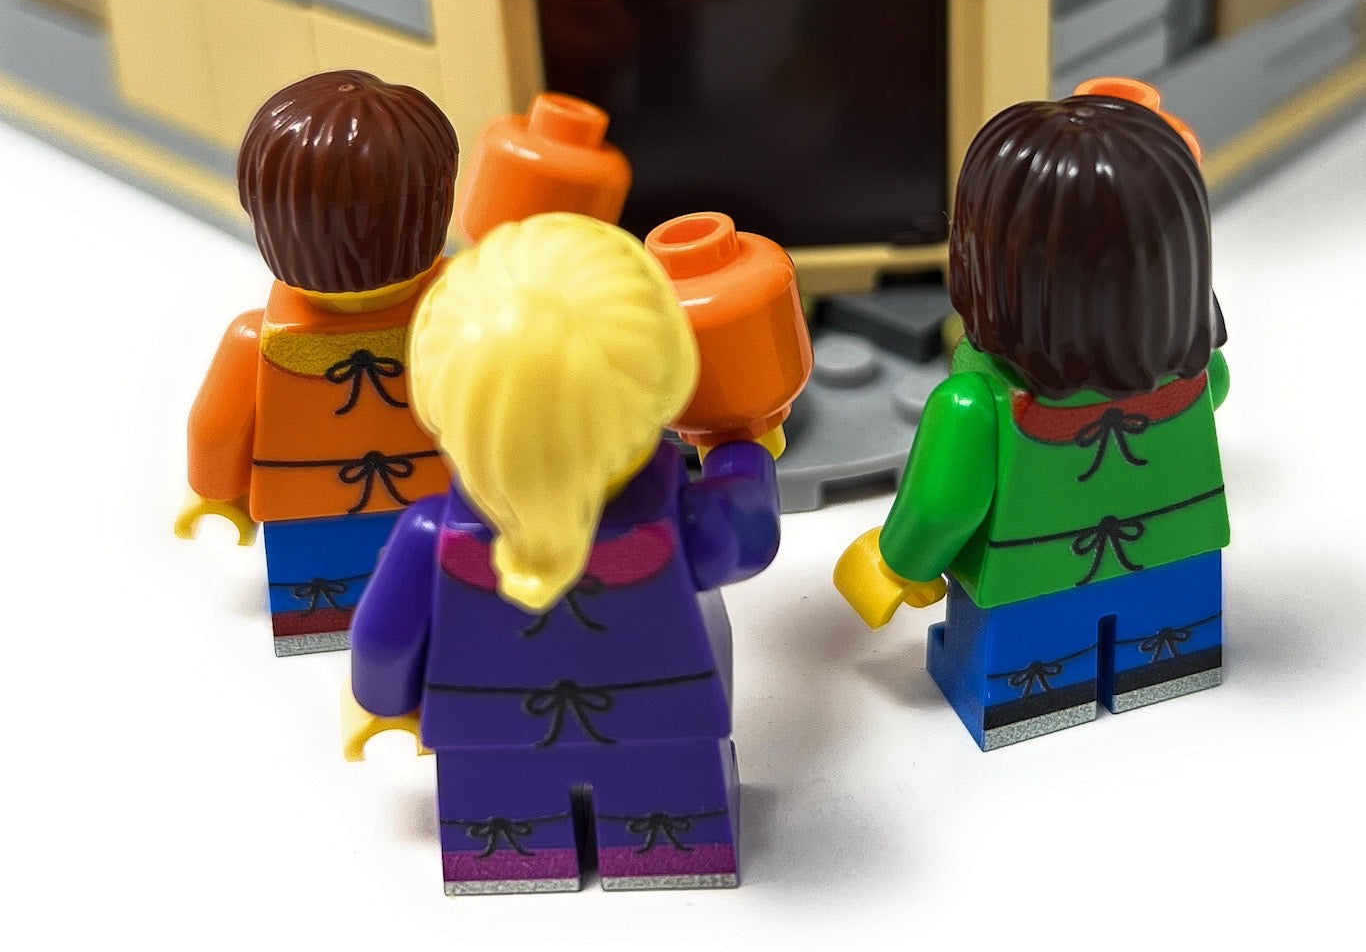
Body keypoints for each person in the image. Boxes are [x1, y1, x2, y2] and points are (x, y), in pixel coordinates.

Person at [349, 213, 782, 893]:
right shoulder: (683, 523)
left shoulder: (431, 536)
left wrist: (384, 701)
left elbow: (380, 647)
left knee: (500, 816)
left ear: (434, 398)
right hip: (662, 726)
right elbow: (749, 537)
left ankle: (514, 861)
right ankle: (670, 856)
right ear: (667, 383)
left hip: (485, 738)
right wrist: (738, 446)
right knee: (670, 810)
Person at [836, 92, 1230, 749]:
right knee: (1168, 639)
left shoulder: (974, 403)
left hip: (1030, 583)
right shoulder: (1196, 369)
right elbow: (1214, 393)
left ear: (981, 262)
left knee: (1031, 671)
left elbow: (941, 507)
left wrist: (898, 564)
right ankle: (1164, 670)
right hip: (1180, 558)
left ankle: (1031, 705)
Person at [178, 70, 458, 655]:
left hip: (311, 515)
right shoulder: (463, 311)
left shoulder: (255, 338)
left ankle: (344, 632)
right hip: (441, 506)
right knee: (440, 595)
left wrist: (215, 491)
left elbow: (215, 430)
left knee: (330, 597)